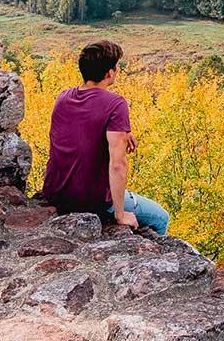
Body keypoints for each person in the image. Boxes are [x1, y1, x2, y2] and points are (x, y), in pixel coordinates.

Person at [38, 39, 171, 234]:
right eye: (116, 66)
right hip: (90, 200)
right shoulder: (115, 104)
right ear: (109, 73)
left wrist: (123, 133)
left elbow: (81, 130)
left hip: (56, 192)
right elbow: (118, 165)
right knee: (160, 217)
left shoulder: (63, 97)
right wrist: (120, 214)